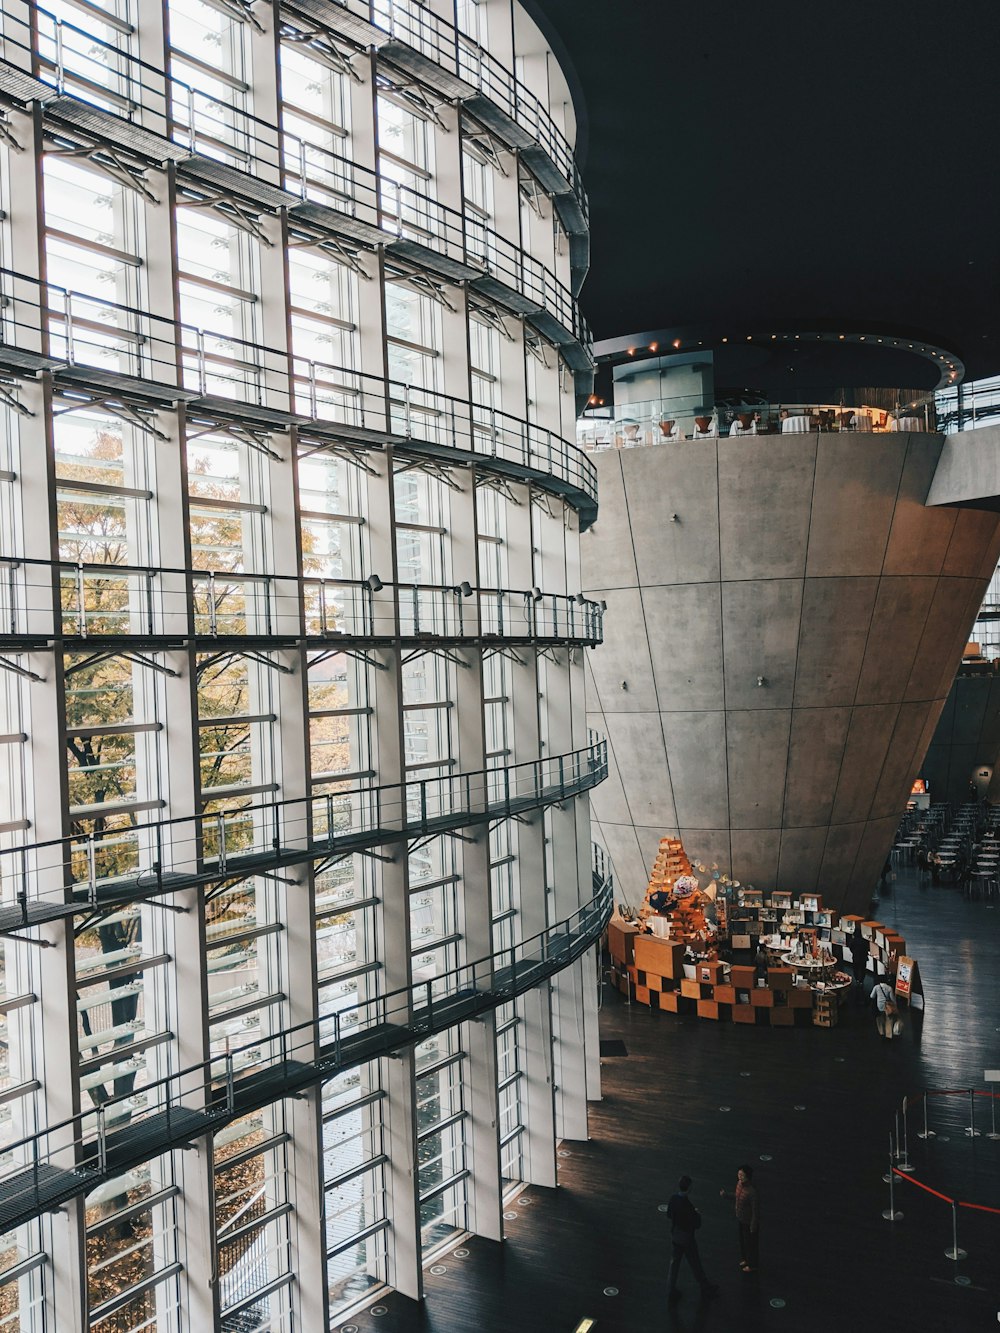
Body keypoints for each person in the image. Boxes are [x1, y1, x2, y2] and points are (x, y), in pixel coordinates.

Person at [666, 1176, 719, 1301]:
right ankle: (705, 1287)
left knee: (674, 1264)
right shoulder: (688, 1206)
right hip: (687, 1239)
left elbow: (669, 1214)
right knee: (695, 1263)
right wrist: (697, 1214)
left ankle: (670, 1289)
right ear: (689, 1188)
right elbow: (697, 1224)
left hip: (676, 1236)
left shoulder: (673, 1199)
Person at [720, 1164, 760, 1272]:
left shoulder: (752, 1192)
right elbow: (737, 1196)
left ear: (747, 1176)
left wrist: (753, 1225)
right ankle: (746, 1259)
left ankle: (753, 1265)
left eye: (742, 1175)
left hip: (748, 1221)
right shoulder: (739, 1184)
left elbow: (755, 1211)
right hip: (741, 1218)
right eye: (739, 1174)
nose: (739, 1176)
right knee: (742, 1241)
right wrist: (726, 1195)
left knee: (750, 1244)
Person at [871, 975, 898, 1039]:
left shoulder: (876, 987)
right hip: (887, 1007)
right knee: (888, 1020)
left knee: (879, 1019)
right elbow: (892, 999)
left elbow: (872, 996)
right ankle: (888, 1035)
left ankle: (881, 1032)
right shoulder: (889, 988)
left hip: (879, 1006)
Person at [850, 924, 869, 1005]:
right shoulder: (864, 941)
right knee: (863, 969)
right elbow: (867, 948)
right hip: (863, 958)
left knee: (855, 969)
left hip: (855, 957)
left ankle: (857, 980)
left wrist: (854, 952)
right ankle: (861, 981)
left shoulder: (853, 941)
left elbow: (850, 947)